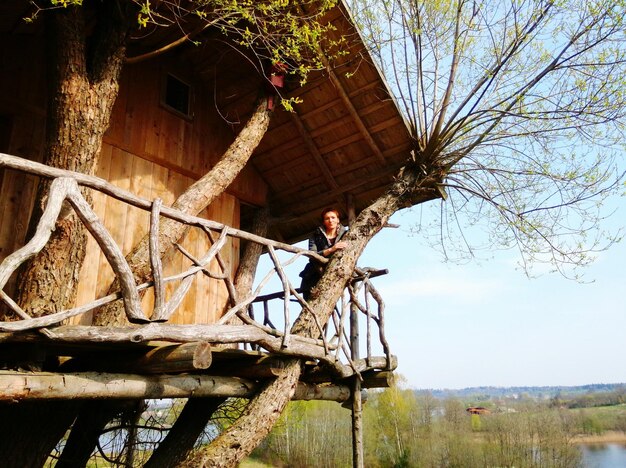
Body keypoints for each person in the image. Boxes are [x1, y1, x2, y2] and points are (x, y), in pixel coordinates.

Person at [299, 207, 348, 299]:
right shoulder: (315, 236)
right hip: (313, 275)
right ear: (323, 222)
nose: (330, 220)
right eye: (327, 218)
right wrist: (331, 249)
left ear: (338, 220)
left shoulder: (346, 235)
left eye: (333, 217)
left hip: (335, 274)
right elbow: (312, 255)